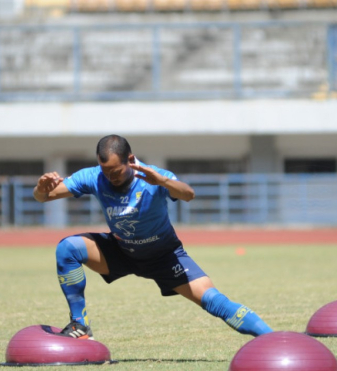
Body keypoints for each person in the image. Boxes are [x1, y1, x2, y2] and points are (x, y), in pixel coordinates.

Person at [33, 134, 273, 339]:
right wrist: (41, 188)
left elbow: (189, 195)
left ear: (129, 160)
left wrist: (164, 182)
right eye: (105, 171)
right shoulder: (95, 176)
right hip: (121, 251)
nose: (109, 177)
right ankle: (80, 324)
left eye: (115, 171)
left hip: (165, 257)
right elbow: (44, 197)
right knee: (68, 248)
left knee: (215, 302)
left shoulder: (154, 176)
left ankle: (273, 338)